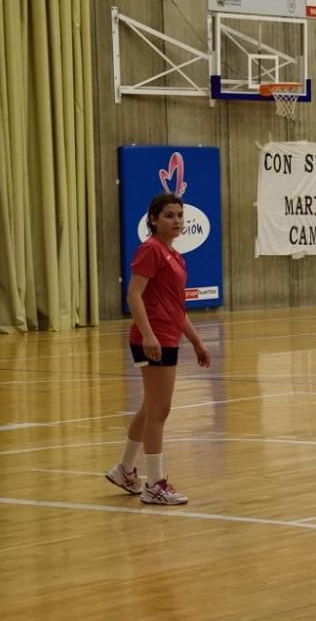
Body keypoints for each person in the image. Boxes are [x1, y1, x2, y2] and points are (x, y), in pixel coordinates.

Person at [105, 193, 211, 505]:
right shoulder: (150, 250)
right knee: (159, 411)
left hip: (168, 335)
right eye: (168, 215)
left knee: (152, 407)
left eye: (179, 215)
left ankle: (125, 469)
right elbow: (134, 295)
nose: (176, 221)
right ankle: (154, 484)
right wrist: (149, 335)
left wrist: (196, 340)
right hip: (153, 338)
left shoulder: (174, 255)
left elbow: (177, 307)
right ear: (153, 219)